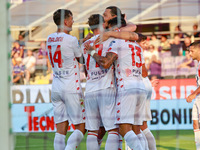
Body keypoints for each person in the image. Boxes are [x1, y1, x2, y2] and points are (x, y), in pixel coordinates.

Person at [86, 16, 146, 150]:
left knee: (120, 129)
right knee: (137, 129)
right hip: (139, 86)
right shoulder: (136, 45)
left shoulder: (115, 42)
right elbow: (134, 32)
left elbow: (105, 63)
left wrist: (92, 52)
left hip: (121, 87)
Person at [46, 9, 85, 150]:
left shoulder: (49, 38)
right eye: (72, 18)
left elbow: (65, 46)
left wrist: (80, 42)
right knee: (81, 126)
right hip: (71, 87)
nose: (73, 21)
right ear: (65, 21)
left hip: (56, 86)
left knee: (60, 130)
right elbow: (82, 59)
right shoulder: (71, 39)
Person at [82, 14, 119, 150]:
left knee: (92, 131)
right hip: (106, 88)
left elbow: (84, 66)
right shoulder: (110, 40)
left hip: (90, 89)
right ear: (103, 24)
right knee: (113, 130)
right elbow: (106, 63)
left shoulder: (85, 44)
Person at [137, 33, 157, 150]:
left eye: (146, 43)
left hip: (141, 87)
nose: (146, 45)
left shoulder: (137, 52)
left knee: (139, 126)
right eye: (143, 43)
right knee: (139, 126)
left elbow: (144, 73)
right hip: (144, 86)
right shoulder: (137, 52)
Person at [186, 41, 200, 150]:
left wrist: (193, 94)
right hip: (198, 98)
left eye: (192, 51)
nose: (190, 54)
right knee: (195, 123)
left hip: (198, 96)